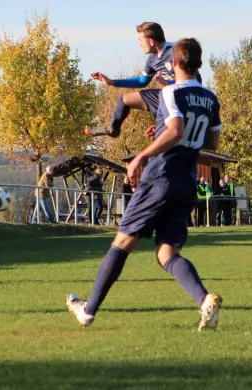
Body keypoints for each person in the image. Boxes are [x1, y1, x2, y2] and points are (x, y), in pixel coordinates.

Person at [67, 38, 223, 332]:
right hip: (186, 183)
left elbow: (176, 131)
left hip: (160, 179)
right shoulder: (211, 98)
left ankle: (87, 311)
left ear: (173, 63)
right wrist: (163, 131)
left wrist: (141, 155)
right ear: (199, 65)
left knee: (123, 242)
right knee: (167, 253)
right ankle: (204, 301)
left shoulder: (170, 92)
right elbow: (211, 142)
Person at [86, 22, 180, 138]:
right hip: (166, 97)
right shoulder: (152, 59)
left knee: (165, 137)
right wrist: (111, 82)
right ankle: (113, 130)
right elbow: (141, 81)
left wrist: (168, 83)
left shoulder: (177, 51)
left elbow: (194, 79)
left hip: (183, 98)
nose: (139, 44)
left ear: (151, 42)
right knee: (124, 100)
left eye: (140, 40)